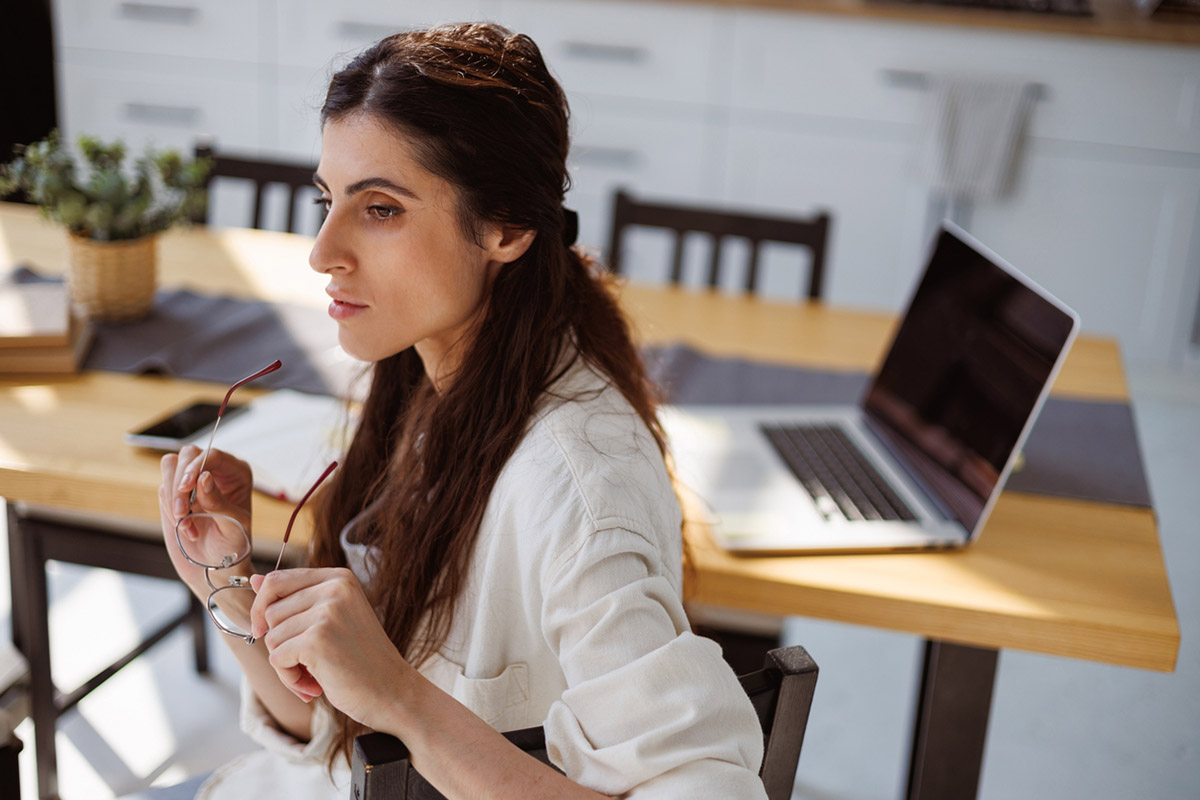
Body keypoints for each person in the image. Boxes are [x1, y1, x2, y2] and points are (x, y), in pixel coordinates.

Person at [159, 22, 767, 800]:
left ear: (505, 227)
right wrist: (226, 582)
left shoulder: (579, 488)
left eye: (380, 209)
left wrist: (404, 702)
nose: (322, 250)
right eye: (327, 200)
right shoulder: (425, 386)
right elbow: (338, 738)